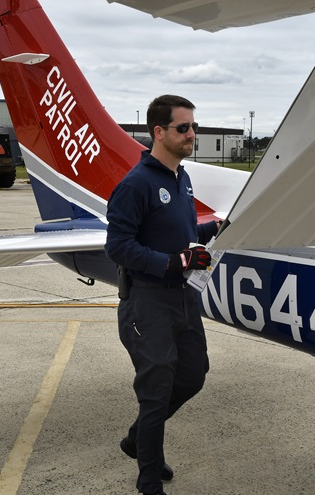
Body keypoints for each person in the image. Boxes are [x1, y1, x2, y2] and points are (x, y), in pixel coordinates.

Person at [105, 94, 221, 495]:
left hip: (184, 298)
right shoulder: (135, 185)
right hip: (147, 302)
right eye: (183, 128)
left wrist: (215, 228)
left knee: (193, 376)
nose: (193, 134)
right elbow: (118, 247)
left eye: (194, 126)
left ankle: (138, 440)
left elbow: (185, 235)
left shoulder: (181, 179)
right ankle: (148, 479)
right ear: (159, 132)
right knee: (155, 394)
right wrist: (169, 263)